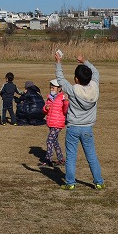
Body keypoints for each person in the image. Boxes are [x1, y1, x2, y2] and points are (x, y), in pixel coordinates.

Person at [55, 52, 104, 190]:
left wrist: (58, 62)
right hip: (87, 128)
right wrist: (84, 61)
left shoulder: (72, 89)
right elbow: (95, 72)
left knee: (71, 157)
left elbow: (60, 79)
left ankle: (70, 183)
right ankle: (98, 181)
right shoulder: (94, 87)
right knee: (92, 156)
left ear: (76, 79)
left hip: (73, 128)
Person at [40, 79, 69, 166]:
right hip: (51, 122)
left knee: (49, 140)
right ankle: (61, 159)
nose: (51, 89)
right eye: (51, 87)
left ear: (59, 89)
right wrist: (46, 108)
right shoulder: (50, 98)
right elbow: (44, 110)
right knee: (55, 141)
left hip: (58, 123)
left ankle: (47, 159)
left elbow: (65, 111)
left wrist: (66, 102)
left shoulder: (63, 98)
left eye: (53, 87)